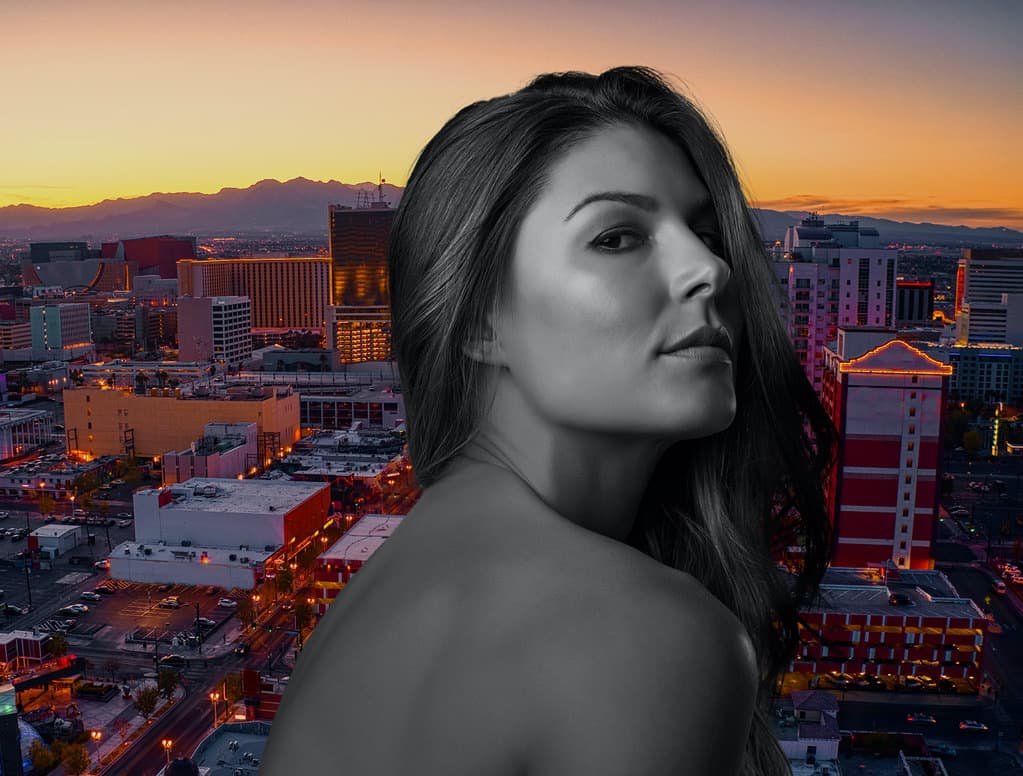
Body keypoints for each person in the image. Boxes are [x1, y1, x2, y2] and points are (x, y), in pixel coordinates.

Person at [261, 66, 835, 775]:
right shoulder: (640, 637)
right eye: (616, 237)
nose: (710, 270)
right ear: (479, 319)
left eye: (705, 232)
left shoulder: (370, 608)